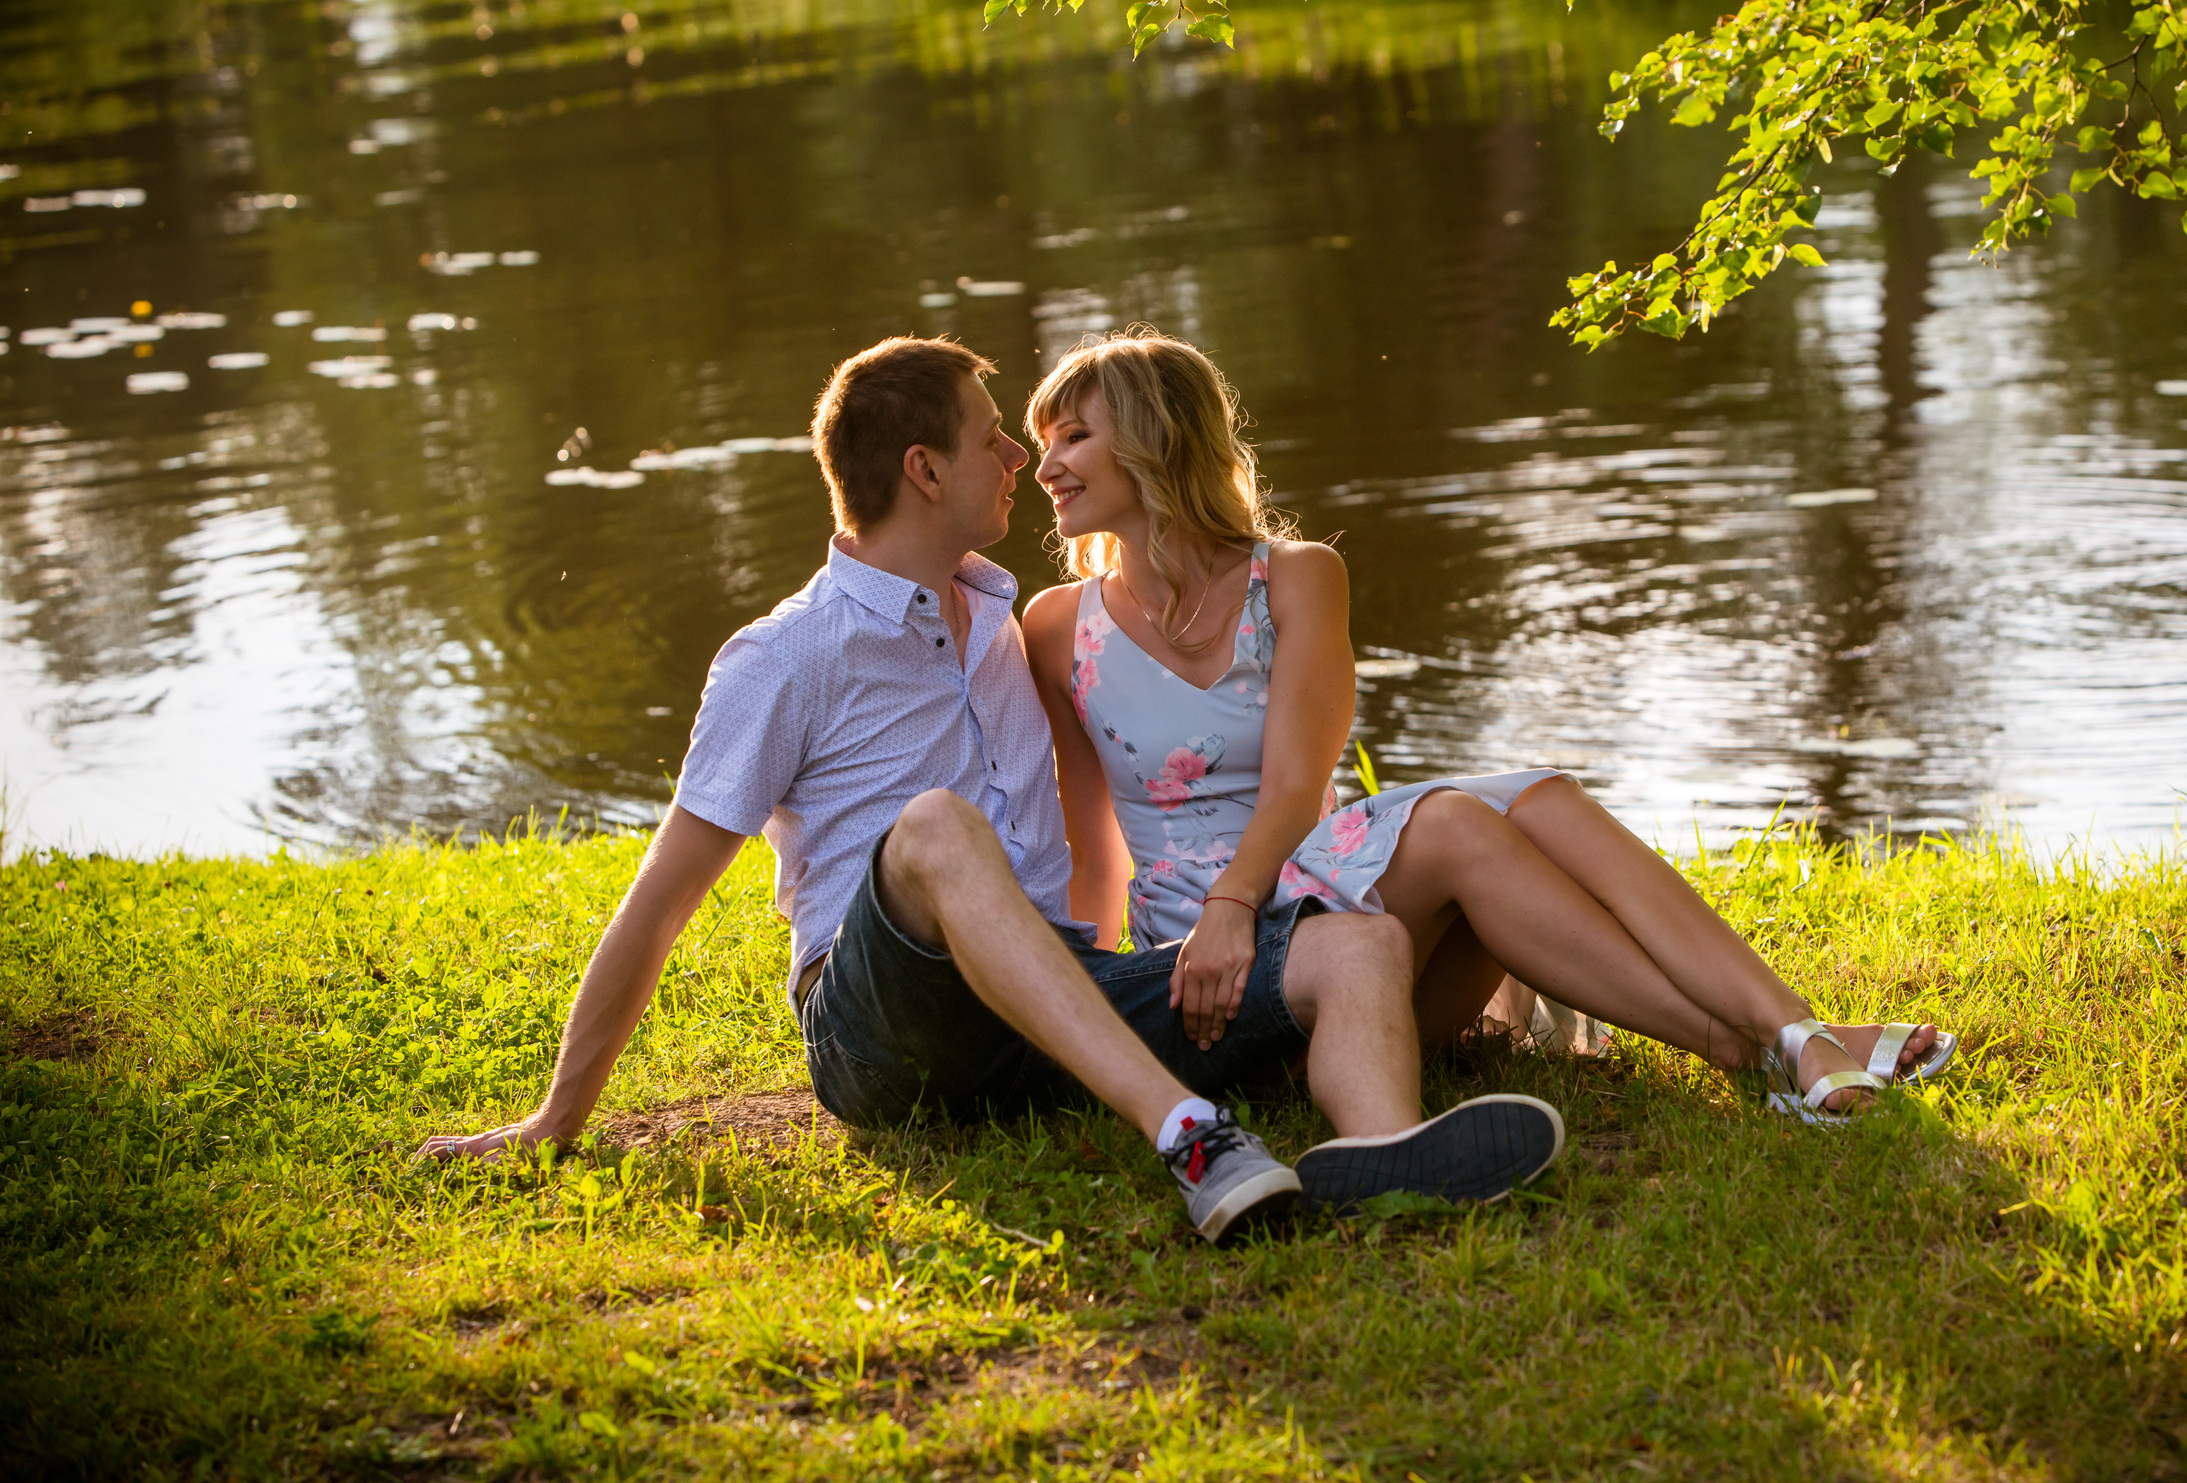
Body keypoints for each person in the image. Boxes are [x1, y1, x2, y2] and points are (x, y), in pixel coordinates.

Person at [417, 338, 1564, 1240]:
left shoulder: (1010, 628)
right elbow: (661, 898)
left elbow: (1112, 807)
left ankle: (1388, 1156)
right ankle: (1190, 1136)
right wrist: (551, 1121)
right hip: (884, 1021)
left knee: (1352, 943)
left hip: (1052, 992)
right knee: (934, 826)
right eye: (991, 443)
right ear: (923, 470)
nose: (1022, 459)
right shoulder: (784, 657)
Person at [1021, 331, 1957, 1120]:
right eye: (1041, 442)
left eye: (1072, 437)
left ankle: (1790, 1033)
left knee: (1538, 799)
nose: (1046, 465)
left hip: (1313, 887)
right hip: (1204, 954)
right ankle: (1783, 1046)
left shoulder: (1295, 577)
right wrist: (1096, 1011)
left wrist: (1237, 901)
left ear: (1154, 438)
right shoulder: (1060, 627)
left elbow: (1296, 791)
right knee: (1471, 822)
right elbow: (1091, 844)